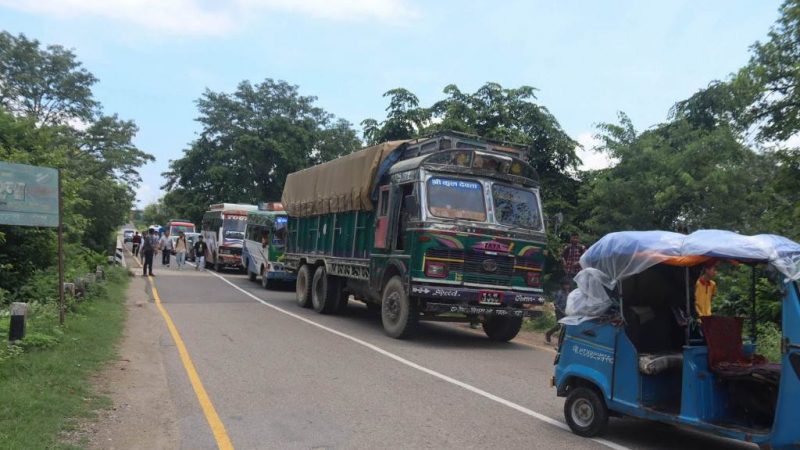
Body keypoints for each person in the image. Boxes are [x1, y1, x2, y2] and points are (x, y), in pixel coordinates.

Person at [545, 279, 572, 344]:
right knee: (559, 326)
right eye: (566, 285)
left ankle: (561, 341)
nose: (567, 286)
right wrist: (561, 312)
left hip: (566, 311)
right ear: (563, 285)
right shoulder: (560, 293)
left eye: (568, 285)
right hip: (559, 311)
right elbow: (556, 304)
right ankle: (548, 334)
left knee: (565, 326)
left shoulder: (568, 293)